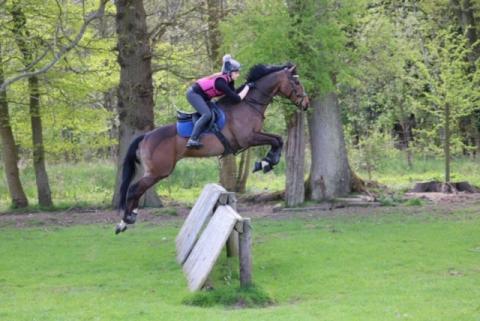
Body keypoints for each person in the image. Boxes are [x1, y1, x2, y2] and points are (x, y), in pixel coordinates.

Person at [185, 54, 251, 149]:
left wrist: (245, 87)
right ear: (229, 73)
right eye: (236, 72)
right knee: (207, 114)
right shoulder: (221, 83)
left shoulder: (229, 81)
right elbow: (237, 99)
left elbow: (234, 95)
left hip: (204, 96)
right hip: (193, 94)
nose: (238, 74)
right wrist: (248, 87)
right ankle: (192, 139)